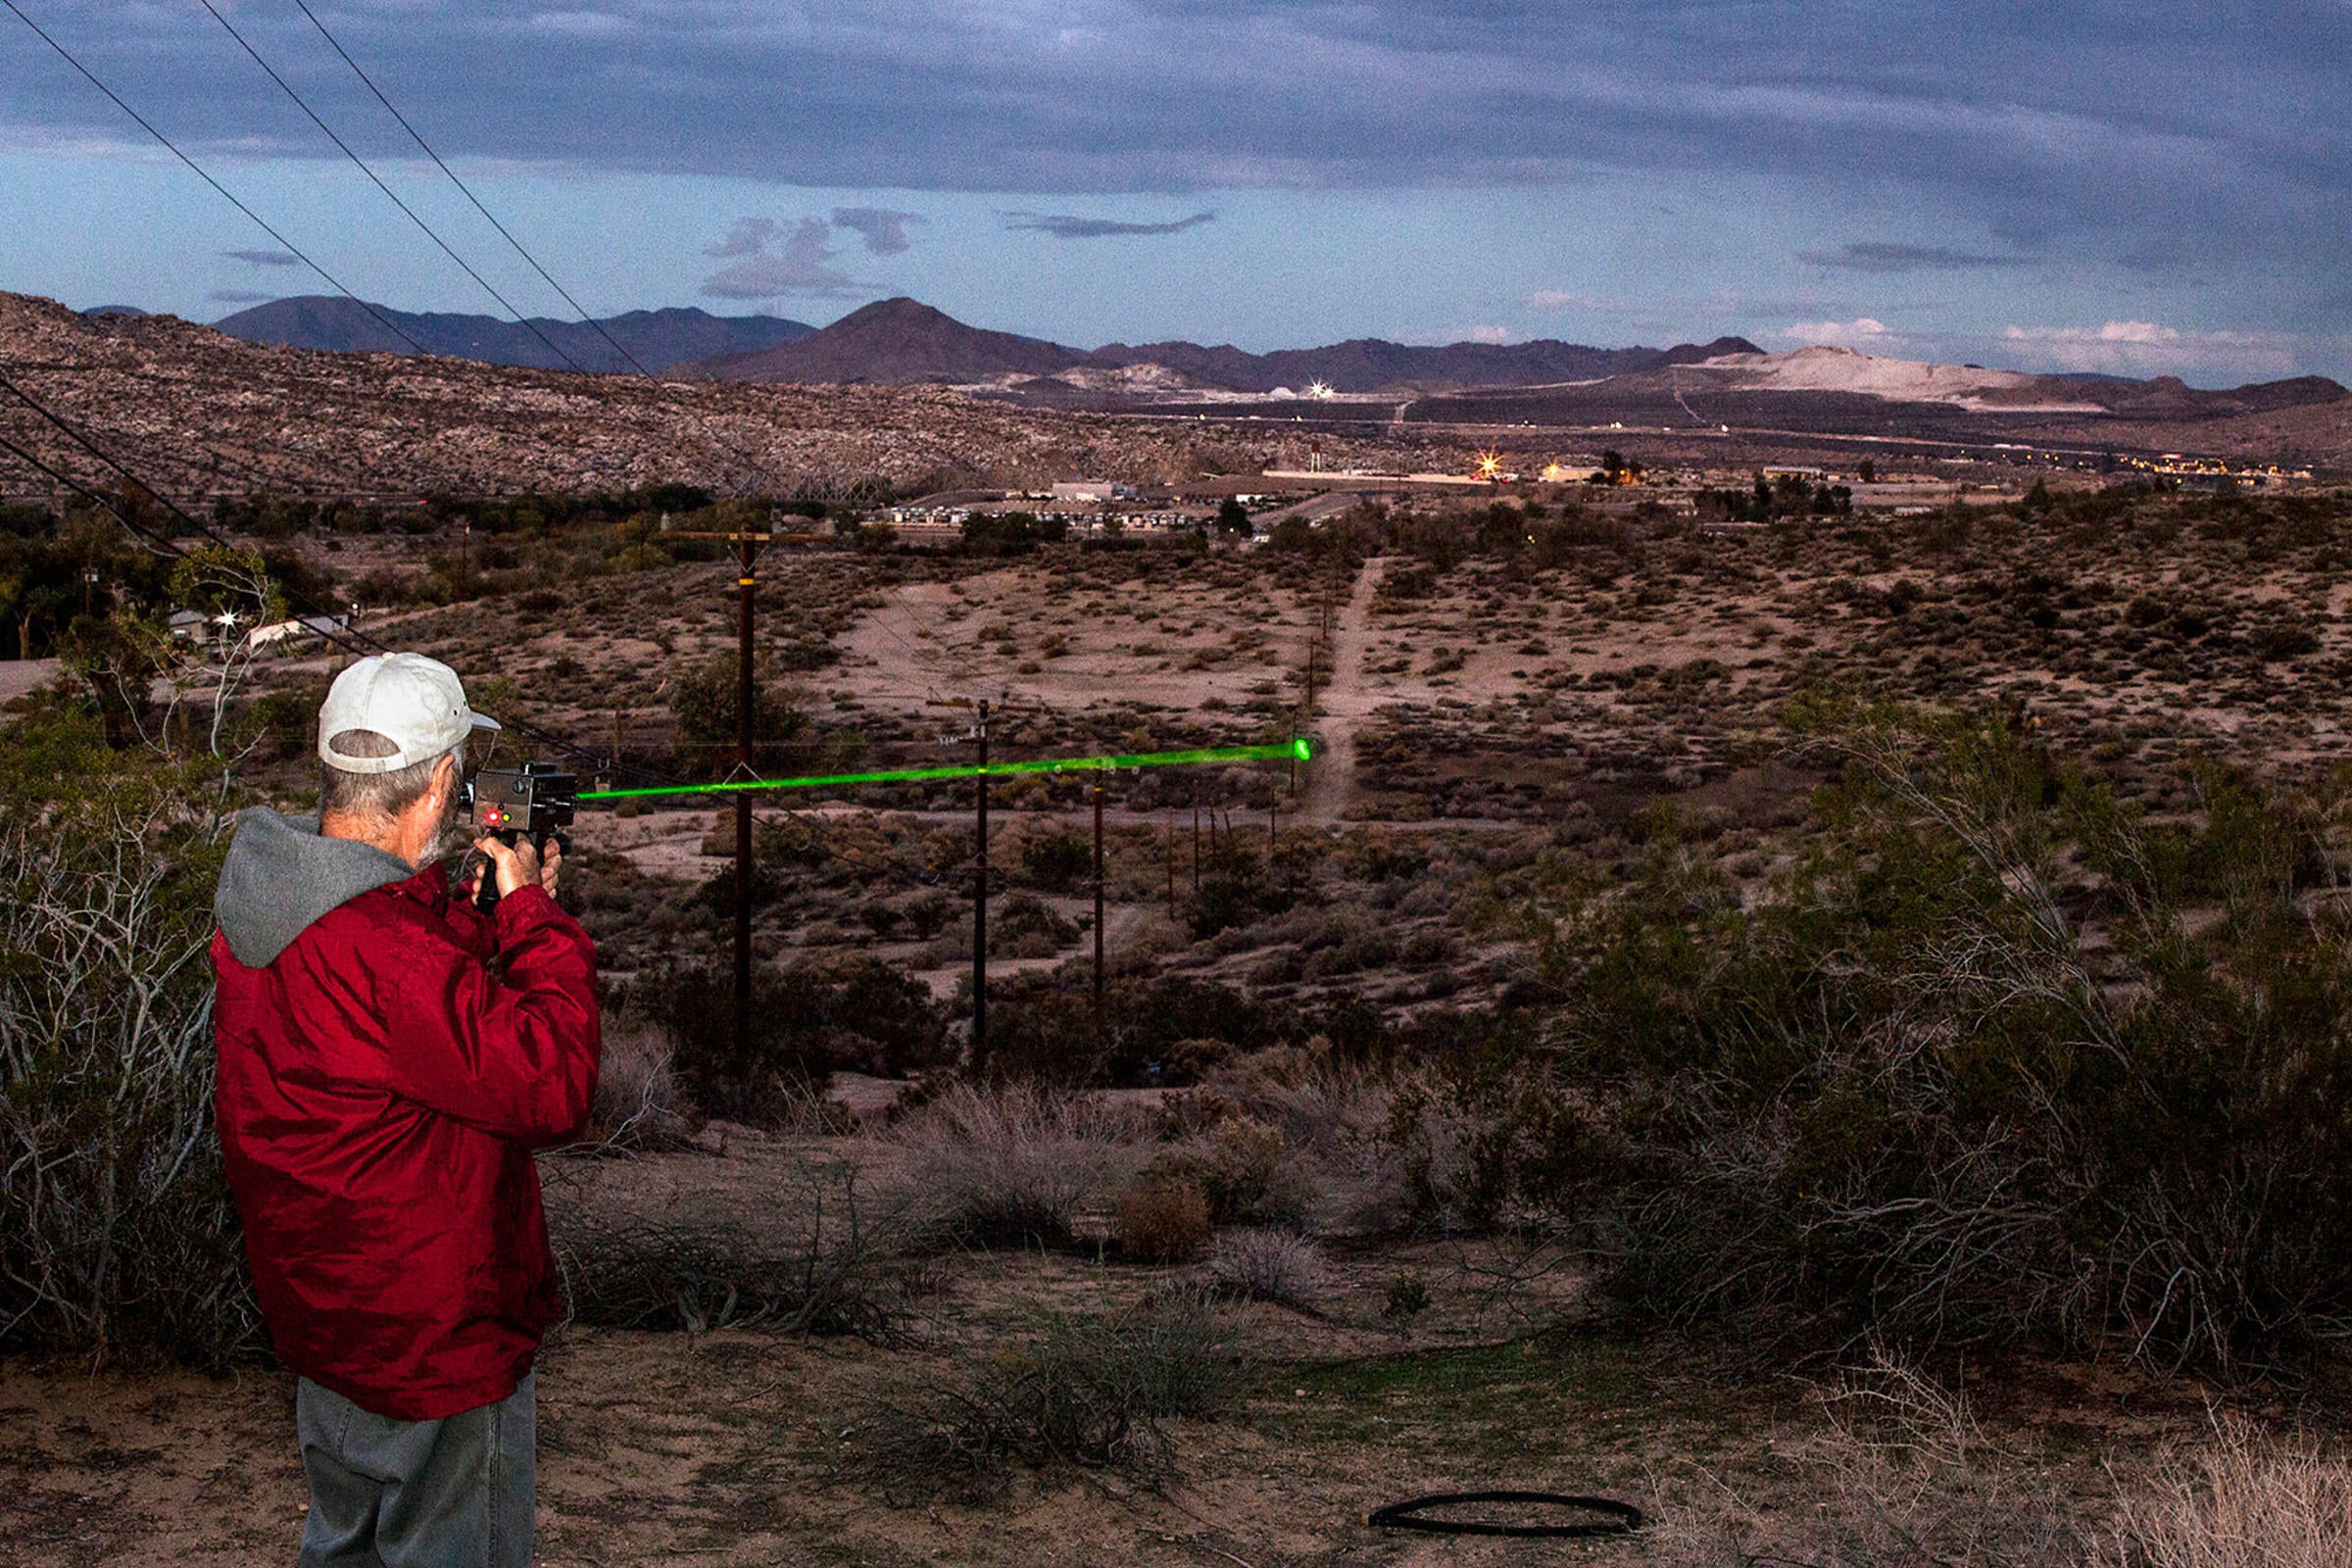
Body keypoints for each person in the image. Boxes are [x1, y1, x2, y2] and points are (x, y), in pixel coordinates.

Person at [212, 652, 600, 1568]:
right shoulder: (393, 959)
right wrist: (534, 920)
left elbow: (387, 1017)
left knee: (344, 1545)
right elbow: (553, 1083)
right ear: (439, 782)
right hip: (435, 1340)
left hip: (329, 1318)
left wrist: (467, 913)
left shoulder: (268, 905)